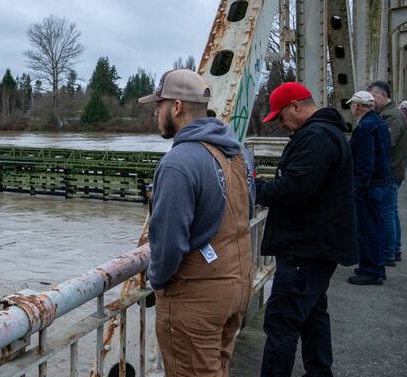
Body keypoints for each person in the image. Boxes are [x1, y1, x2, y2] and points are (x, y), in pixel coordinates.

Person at [138, 69, 256, 377]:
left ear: (176, 107)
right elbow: (249, 209)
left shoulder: (179, 162)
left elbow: (167, 241)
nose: (155, 112)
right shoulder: (238, 151)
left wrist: (159, 282)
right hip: (237, 284)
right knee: (217, 369)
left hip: (196, 298)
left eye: (159, 104)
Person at [256, 82, 358, 376]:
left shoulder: (315, 137)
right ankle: (319, 372)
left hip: (305, 248)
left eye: (280, 115)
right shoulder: (327, 133)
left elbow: (294, 190)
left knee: (281, 322)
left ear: (297, 106)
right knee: (313, 313)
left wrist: (256, 188)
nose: (280, 123)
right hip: (319, 245)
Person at [346, 91, 392, 285]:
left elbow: (365, 162)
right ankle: (375, 266)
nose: (351, 109)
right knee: (375, 226)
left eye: (352, 106)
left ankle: (371, 270)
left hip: (369, 187)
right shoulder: (379, 123)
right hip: (380, 183)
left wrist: (358, 188)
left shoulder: (365, 127)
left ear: (357, 106)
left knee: (367, 229)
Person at [367, 81, 407, 264]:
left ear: (383, 95)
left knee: (386, 213)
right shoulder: (390, 114)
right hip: (393, 169)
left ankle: (387, 253)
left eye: (373, 96)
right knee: (391, 212)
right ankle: (394, 249)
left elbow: (384, 143)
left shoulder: (392, 116)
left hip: (390, 171)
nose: (371, 100)